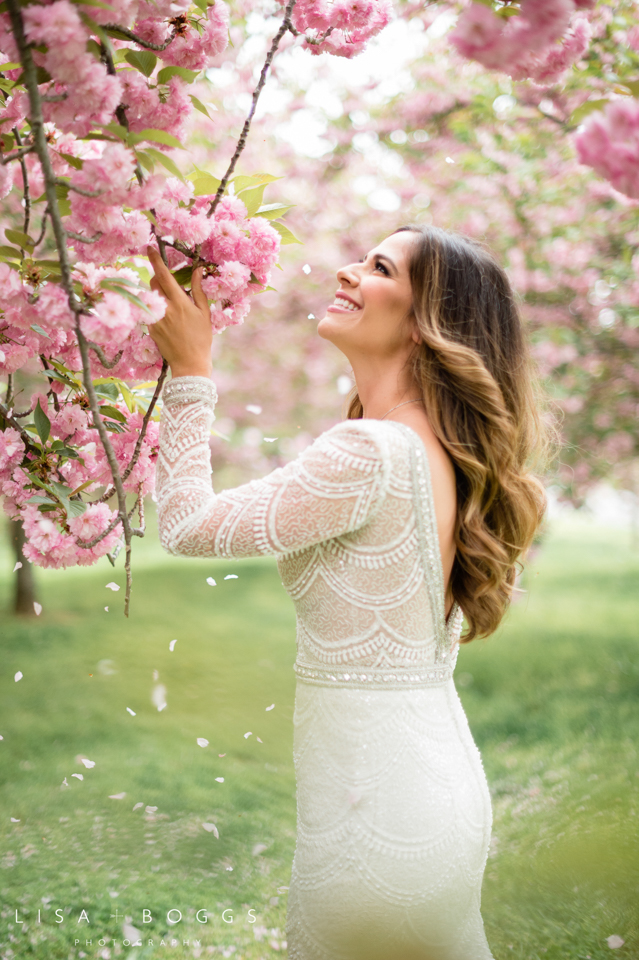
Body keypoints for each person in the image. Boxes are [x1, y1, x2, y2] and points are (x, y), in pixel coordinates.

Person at [147, 224, 547, 960]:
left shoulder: (371, 451)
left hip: (381, 815)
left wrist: (191, 373)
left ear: (428, 325)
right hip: (425, 788)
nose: (346, 271)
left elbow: (185, 525)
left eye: (378, 267)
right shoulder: (431, 448)